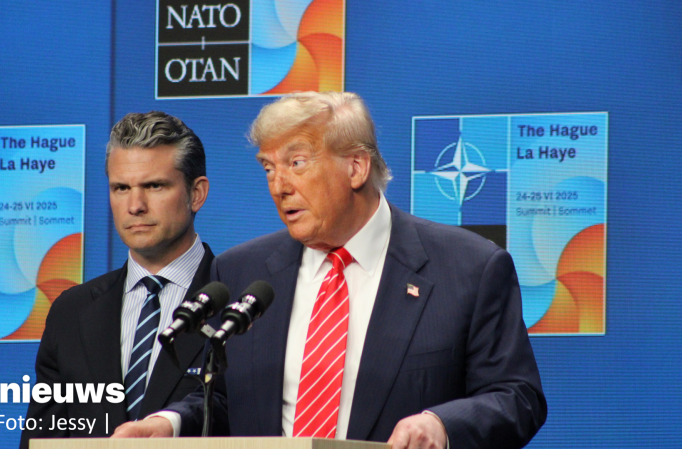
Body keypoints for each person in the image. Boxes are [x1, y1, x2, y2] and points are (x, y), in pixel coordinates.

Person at [112, 93, 547, 449]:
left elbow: (517, 397)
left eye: (297, 163)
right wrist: (171, 424)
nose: (279, 186)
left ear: (356, 167)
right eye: (268, 167)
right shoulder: (243, 271)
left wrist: (441, 424)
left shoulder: (468, 267)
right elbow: (227, 399)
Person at [20, 111, 214, 448]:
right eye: (121, 188)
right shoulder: (71, 312)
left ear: (196, 193)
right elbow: (43, 439)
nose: (135, 205)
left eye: (154, 186)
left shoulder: (240, 303)